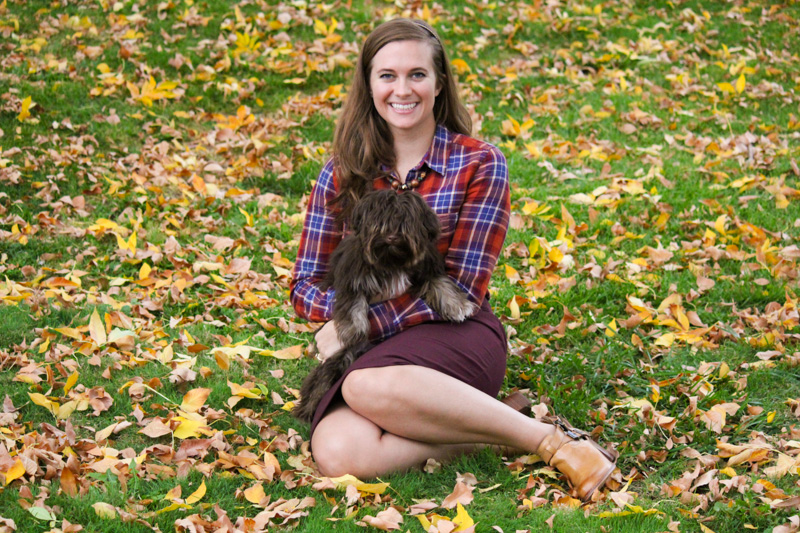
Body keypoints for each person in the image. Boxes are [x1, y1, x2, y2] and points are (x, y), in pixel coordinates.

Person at [290, 18, 617, 501]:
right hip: (366, 347)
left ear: (440, 83)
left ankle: (553, 443)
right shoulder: (342, 173)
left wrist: (360, 322)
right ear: (369, 84)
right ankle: (491, 427)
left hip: (453, 331)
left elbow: (462, 289)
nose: (403, 89)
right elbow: (305, 285)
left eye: (417, 74)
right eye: (387, 75)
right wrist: (336, 317)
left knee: (362, 388)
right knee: (339, 453)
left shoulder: (480, 163)